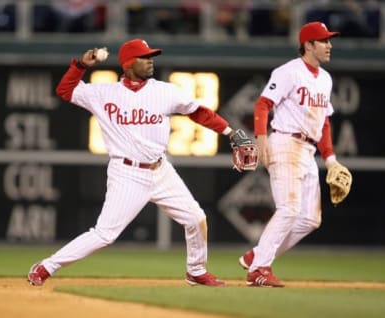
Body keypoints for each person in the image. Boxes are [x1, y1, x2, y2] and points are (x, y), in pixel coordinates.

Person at [27, 38, 253, 287]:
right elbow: (65, 90)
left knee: (195, 218)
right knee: (104, 234)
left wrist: (231, 132)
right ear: (128, 63)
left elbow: (199, 112)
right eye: (144, 57)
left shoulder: (165, 91)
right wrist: (81, 65)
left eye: (151, 57)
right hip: (126, 173)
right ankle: (46, 266)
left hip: (160, 169)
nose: (150, 61)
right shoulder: (103, 92)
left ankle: (196, 270)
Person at [238, 21, 351, 287]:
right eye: (323, 41)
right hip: (285, 142)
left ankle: (258, 255)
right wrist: (261, 139)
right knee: (288, 208)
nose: (329, 45)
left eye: (329, 40)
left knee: (310, 219)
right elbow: (263, 104)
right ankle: (258, 270)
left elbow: (323, 122)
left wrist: (331, 158)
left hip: (309, 149)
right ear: (308, 45)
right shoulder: (288, 72)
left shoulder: (325, 79)